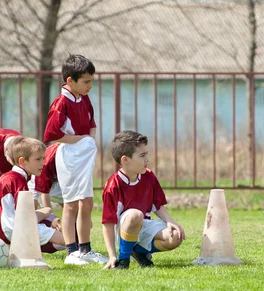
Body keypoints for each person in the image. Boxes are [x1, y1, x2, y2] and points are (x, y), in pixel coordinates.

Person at [43, 54, 106, 266]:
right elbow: (52, 134)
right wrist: (80, 140)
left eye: (92, 81)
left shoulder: (84, 98)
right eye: (86, 81)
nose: (90, 86)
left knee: (87, 202)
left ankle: (85, 249)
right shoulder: (61, 103)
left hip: (84, 155)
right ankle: (71, 253)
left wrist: (89, 143)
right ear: (70, 81)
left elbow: (92, 124)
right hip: (69, 156)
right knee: (71, 205)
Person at [101, 130, 185, 270]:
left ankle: (139, 251)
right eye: (142, 155)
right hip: (123, 229)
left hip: (145, 224)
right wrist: (112, 255)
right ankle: (123, 259)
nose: (147, 159)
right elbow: (108, 224)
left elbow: (157, 205)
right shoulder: (113, 185)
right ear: (125, 160)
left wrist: (170, 221)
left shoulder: (149, 176)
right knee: (135, 214)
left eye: (147, 154)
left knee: (175, 236)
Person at [0, 136, 65, 264]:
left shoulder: (15, 178)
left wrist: (47, 215)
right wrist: (44, 214)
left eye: (43, 158)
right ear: (22, 161)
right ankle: (76, 255)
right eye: (38, 159)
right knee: (70, 239)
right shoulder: (14, 180)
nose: (43, 163)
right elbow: (20, 220)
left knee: (60, 227)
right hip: (15, 231)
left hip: (16, 228)